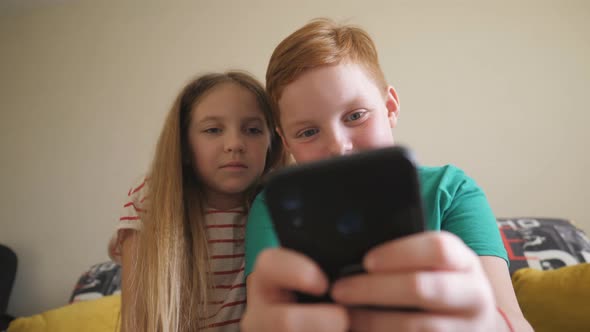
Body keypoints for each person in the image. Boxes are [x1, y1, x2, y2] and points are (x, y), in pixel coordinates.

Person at [242, 19, 533, 331]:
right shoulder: (275, 208)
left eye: (355, 116)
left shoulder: (451, 190)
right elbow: (267, 312)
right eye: (309, 131)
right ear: (286, 142)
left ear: (390, 107)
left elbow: (513, 320)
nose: (339, 146)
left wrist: (486, 323)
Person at [107, 71, 285, 332]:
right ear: (185, 146)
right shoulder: (152, 198)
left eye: (253, 130)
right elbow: (136, 322)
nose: (235, 143)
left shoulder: (277, 204)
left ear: (272, 142)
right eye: (213, 130)